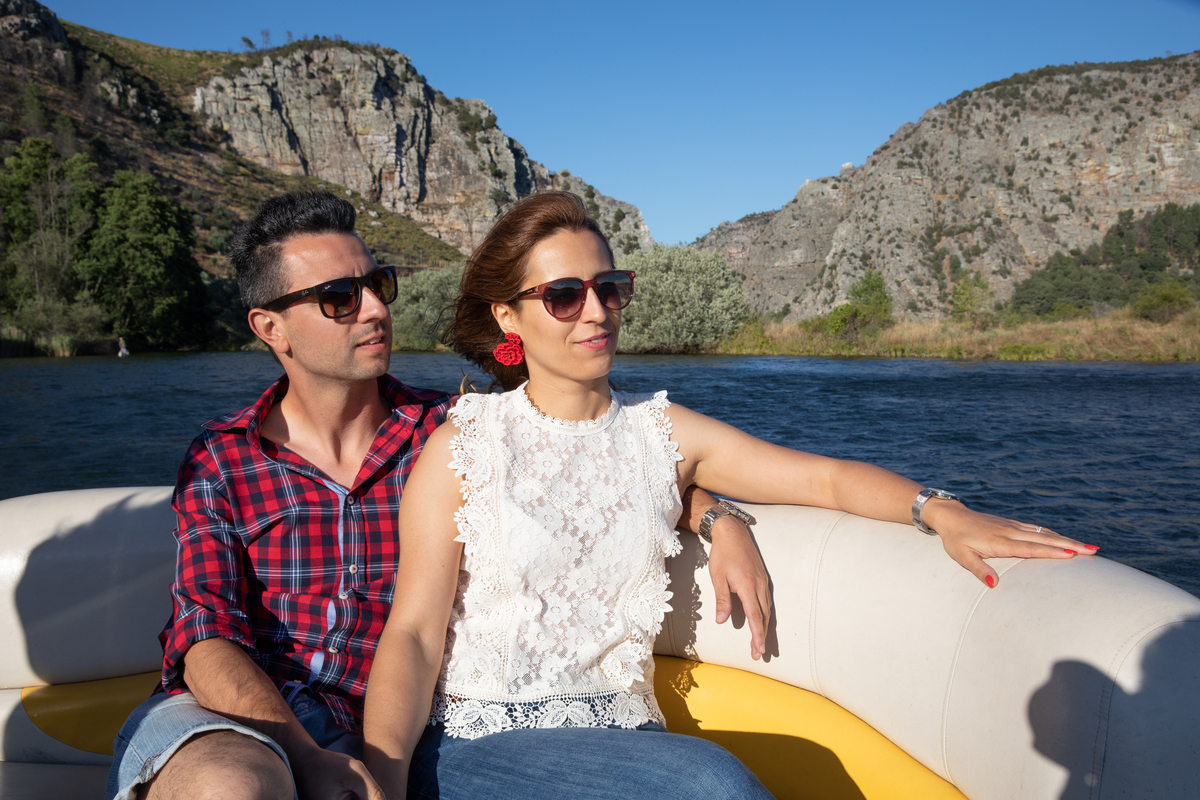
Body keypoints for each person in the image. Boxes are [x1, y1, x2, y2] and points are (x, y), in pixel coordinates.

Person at [361, 191, 1096, 800]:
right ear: (508, 318)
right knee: (715, 787)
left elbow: (825, 477)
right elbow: (415, 635)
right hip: (483, 743)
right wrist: (384, 783)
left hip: (628, 740)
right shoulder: (465, 444)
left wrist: (941, 511)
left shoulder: (663, 435)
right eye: (563, 295)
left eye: (609, 288)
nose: (596, 312)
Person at [105, 189, 762, 800]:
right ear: (271, 328)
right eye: (339, 297)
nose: (375, 309)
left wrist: (715, 515)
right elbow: (205, 638)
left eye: (377, 284)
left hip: (400, 730)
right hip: (251, 717)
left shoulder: (455, 433)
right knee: (231, 785)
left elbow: (600, 460)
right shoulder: (223, 458)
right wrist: (304, 754)